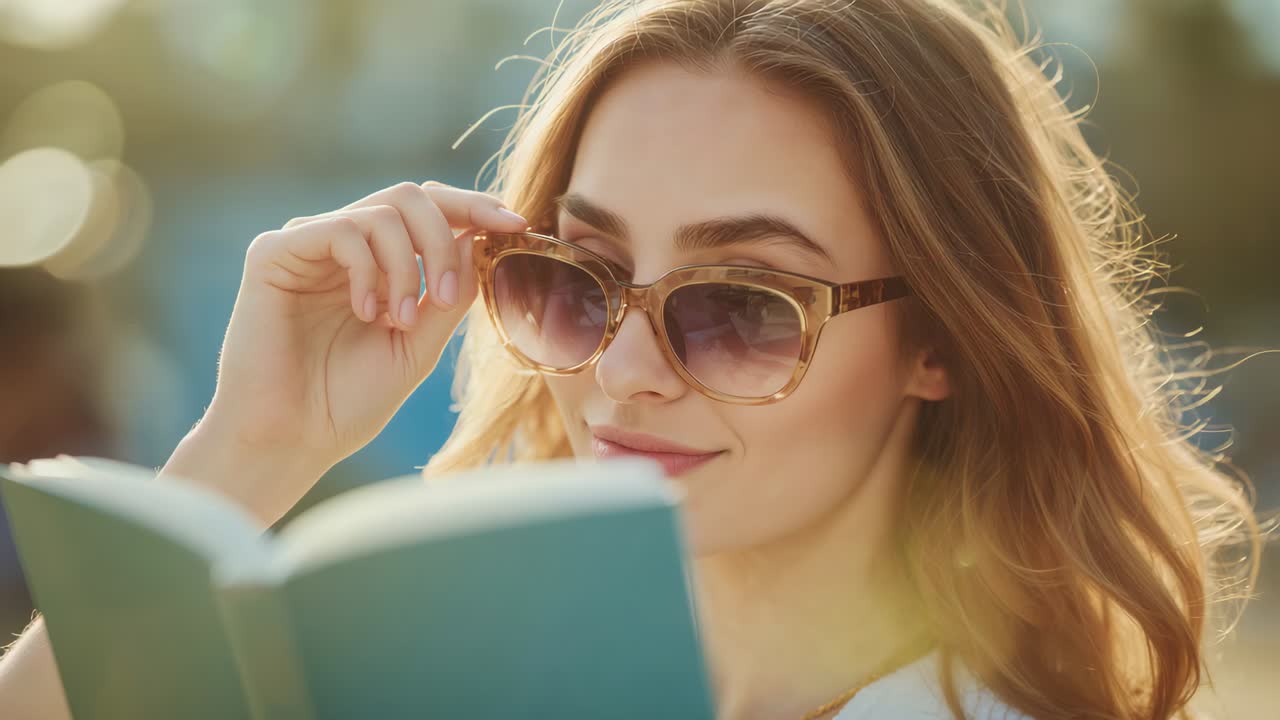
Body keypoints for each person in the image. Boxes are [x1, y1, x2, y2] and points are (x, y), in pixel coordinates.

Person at [0, 1, 1267, 718]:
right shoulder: (457, 681)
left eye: (741, 304)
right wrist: (255, 443)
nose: (624, 371)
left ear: (938, 337)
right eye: (578, 280)